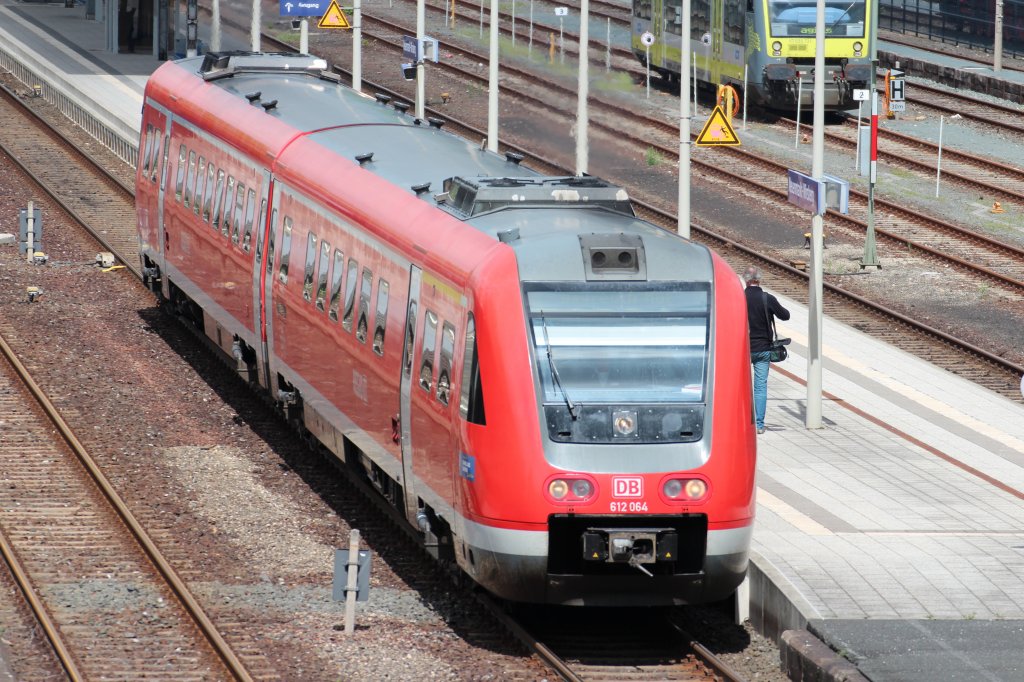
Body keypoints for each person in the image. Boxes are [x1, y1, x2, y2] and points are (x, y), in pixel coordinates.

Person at [743, 266, 790, 434]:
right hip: (763, 349)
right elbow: (785, 315)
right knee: (760, 387)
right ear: (759, 279)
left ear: (746, 280)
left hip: (742, 349)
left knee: (740, 386)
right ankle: (759, 424)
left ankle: (740, 421)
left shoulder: (739, 297)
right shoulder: (766, 298)